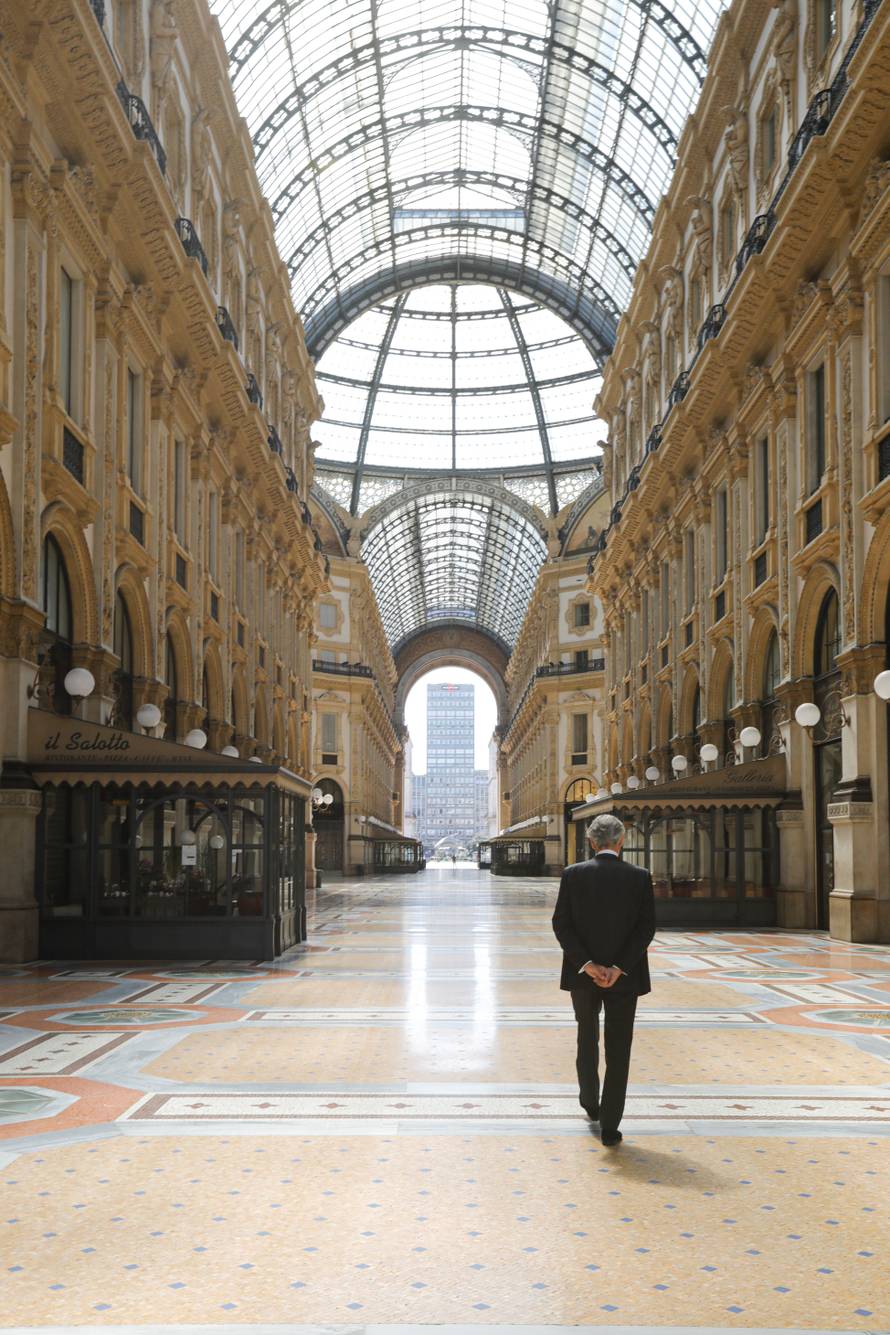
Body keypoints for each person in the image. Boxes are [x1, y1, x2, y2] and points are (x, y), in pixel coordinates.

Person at [551, 812, 655, 1147]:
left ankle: (590, 1102)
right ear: (621, 841)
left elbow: (561, 924)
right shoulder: (640, 877)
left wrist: (588, 964)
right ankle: (610, 1124)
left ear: (591, 841)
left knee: (587, 1035)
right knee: (619, 1046)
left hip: (584, 976)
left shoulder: (573, 874)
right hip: (625, 977)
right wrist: (619, 967)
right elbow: (646, 928)